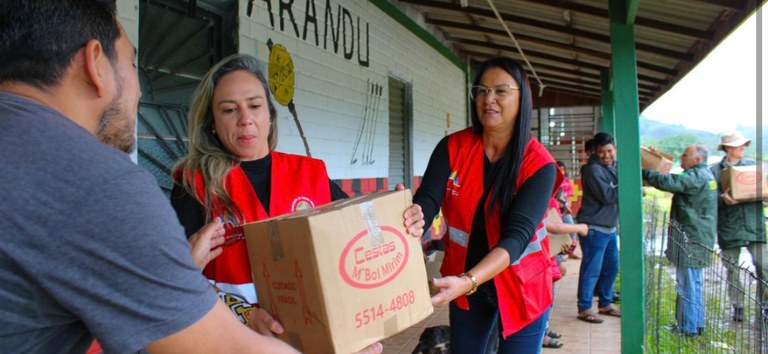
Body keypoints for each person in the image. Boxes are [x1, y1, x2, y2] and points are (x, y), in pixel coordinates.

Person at [0, 1, 305, 353]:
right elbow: (225, 347)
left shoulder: (309, 171)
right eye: (131, 63)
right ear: (95, 62)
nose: (140, 90)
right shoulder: (103, 184)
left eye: (254, 106)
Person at [170, 53, 425, 314]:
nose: (245, 119)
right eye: (229, 109)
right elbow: (176, 278)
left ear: (269, 113)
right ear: (212, 123)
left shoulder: (310, 173)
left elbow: (361, 231)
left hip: (310, 334)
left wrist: (401, 215)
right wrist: (246, 316)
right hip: (229, 339)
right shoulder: (195, 183)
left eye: (254, 105)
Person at [413, 56, 562, 354]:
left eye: (500, 91)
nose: (488, 99)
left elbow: (518, 235)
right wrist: (415, 216)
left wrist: (468, 281)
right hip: (469, 285)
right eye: (481, 90)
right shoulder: (453, 147)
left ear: (522, 99)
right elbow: (428, 200)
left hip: (522, 285)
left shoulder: (538, 164)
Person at [642, 144, 717, 336]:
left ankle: (687, 328)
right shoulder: (708, 176)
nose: (682, 158)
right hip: (699, 237)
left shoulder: (694, 177)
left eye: (685, 155)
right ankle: (696, 324)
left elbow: (671, 182)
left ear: (697, 160)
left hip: (690, 238)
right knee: (695, 282)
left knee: (687, 283)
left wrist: (646, 173)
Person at [710, 131, 768, 322]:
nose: (743, 148)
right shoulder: (714, 171)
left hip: (754, 224)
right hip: (729, 226)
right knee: (733, 268)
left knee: (764, 266)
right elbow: (708, 200)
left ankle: (764, 307)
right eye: (738, 145)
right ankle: (738, 307)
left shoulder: (753, 168)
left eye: (744, 145)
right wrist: (722, 199)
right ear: (728, 148)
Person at [575, 132, 621, 324]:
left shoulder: (613, 167)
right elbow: (608, 196)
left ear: (615, 150)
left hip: (609, 228)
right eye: (602, 152)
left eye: (609, 151)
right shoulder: (593, 170)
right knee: (591, 268)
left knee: (611, 266)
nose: (606, 155)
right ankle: (584, 308)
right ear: (596, 151)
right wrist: (632, 187)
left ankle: (605, 302)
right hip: (594, 227)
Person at [555, 160, 581, 259]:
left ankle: (570, 251)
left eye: (563, 169)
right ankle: (559, 256)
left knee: (571, 228)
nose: (561, 171)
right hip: (555, 211)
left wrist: (567, 208)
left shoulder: (566, 181)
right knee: (557, 233)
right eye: (559, 169)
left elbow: (569, 196)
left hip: (565, 210)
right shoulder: (552, 180)